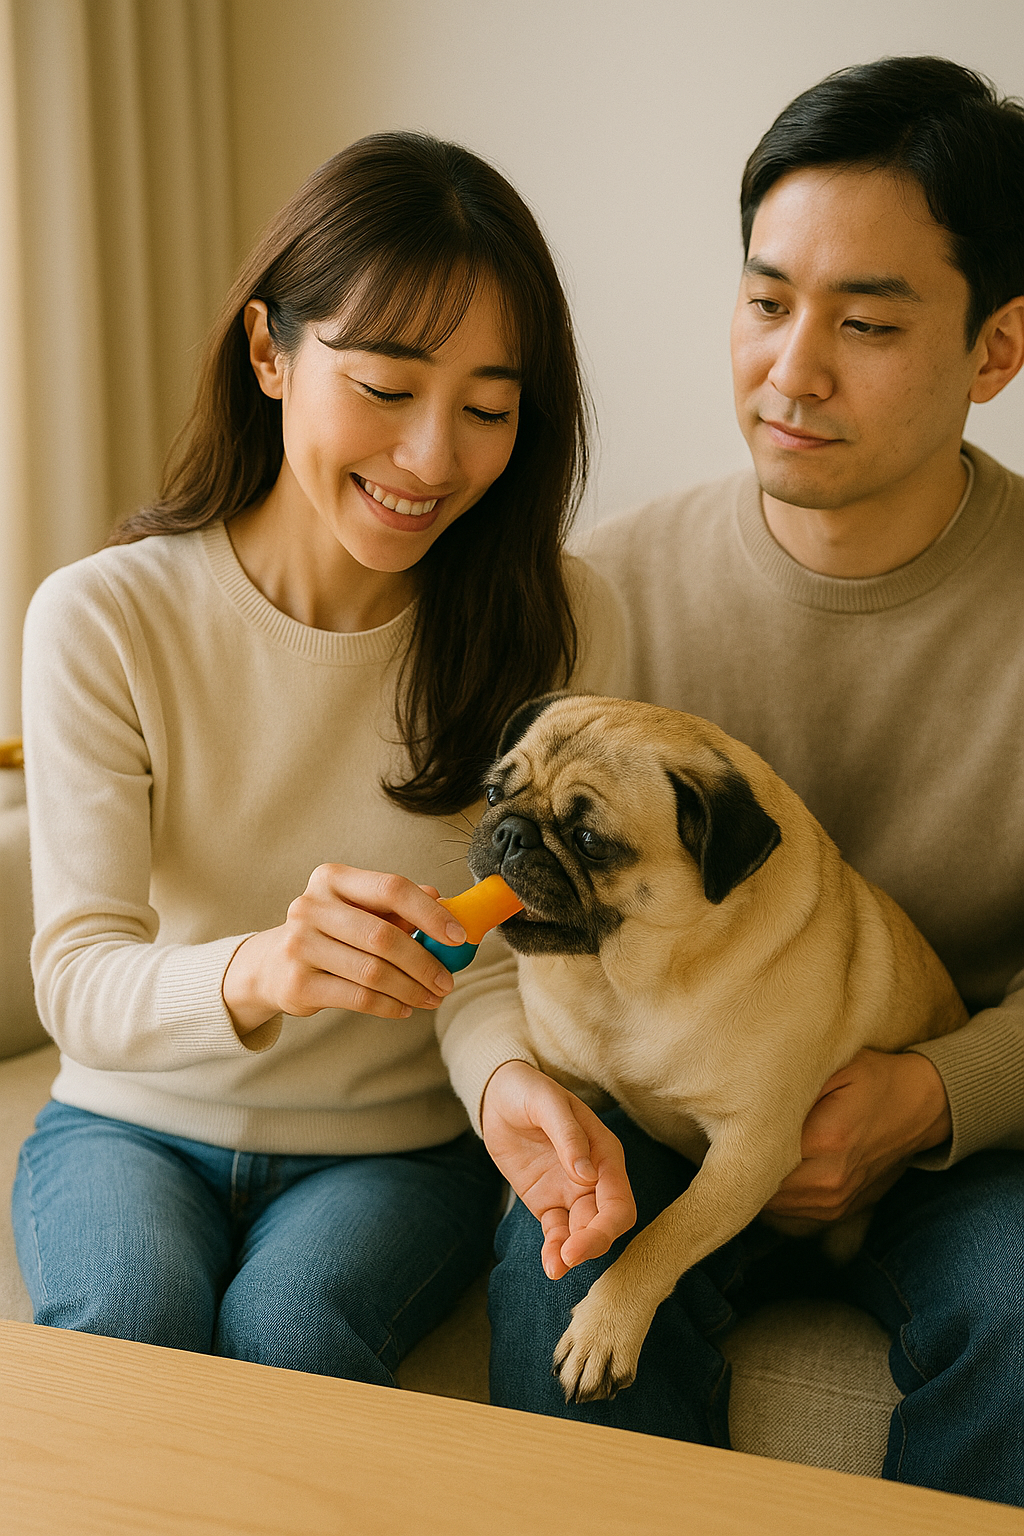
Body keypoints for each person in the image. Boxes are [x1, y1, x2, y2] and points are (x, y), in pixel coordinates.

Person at [476, 57, 1024, 1505]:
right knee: (552, 1293)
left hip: (949, 1135)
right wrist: (512, 1084)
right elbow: (476, 904)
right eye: (768, 301)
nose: (793, 368)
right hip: (657, 1120)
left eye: (867, 322)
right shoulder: (610, 591)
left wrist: (929, 1093)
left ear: (997, 349)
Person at [12, 131, 623, 1383]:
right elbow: (77, 977)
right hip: (128, 1123)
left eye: (489, 409)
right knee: (129, 1333)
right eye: (388, 389)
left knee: (293, 1338)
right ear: (268, 353)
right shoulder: (103, 618)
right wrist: (263, 968)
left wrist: (509, 1080)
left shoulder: (561, 619)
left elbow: (505, 952)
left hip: (392, 1148)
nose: (433, 458)